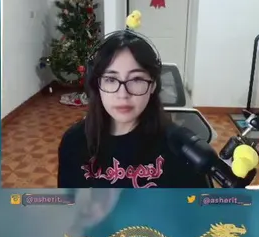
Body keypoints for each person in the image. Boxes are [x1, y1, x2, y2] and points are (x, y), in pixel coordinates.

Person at [57, 30, 208, 188]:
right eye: (110, 79)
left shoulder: (180, 148)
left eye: (136, 79)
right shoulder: (73, 142)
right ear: (96, 85)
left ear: (153, 85)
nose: (123, 94)